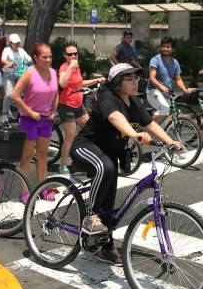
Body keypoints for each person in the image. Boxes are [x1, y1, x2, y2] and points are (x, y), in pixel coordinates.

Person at [70, 63, 182, 265]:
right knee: (106, 167)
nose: (135, 81)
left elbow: (150, 123)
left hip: (109, 154)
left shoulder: (134, 102)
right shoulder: (106, 98)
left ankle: (104, 246)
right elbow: (115, 117)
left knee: (109, 205)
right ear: (117, 82)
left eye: (136, 78)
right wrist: (133, 134)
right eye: (129, 78)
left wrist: (170, 141)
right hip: (85, 147)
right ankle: (90, 216)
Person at [10, 43, 59, 204]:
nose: (48, 59)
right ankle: (25, 192)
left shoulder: (53, 72)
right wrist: (29, 111)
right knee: (27, 157)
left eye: (50, 56)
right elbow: (15, 95)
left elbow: (55, 93)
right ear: (35, 58)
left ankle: (42, 189)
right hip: (29, 120)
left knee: (43, 156)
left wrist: (53, 110)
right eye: (44, 57)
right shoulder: (29, 73)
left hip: (46, 120)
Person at [56, 43, 105, 175]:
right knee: (70, 135)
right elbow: (62, 83)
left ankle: (83, 158)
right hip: (66, 106)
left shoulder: (76, 67)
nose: (73, 56)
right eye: (70, 54)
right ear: (65, 56)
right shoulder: (64, 67)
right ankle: (63, 165)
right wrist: (70, 68)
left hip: (78, 105)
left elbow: (80, 83)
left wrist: (96, 80)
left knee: (89, 130)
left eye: (75, 54)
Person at [146, 36, 194, 123]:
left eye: (168, 47)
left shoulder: (175, 62)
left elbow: (178, 79)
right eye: (163, 46)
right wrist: (161, 87)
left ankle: (156, 135)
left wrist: (184, 89)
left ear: (173, 49)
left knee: (165, 120)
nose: (165, 49)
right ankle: (147, 127)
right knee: (165, 109)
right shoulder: (155, 60)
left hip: (166, 93)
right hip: (153, 91)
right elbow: (152, 78)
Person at [0, 33, 31, 123]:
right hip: (9, 75)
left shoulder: (21, 51)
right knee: (9, 94)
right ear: (10, 43)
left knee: (22, 95)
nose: (17, 44)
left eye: (18, 42)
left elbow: (29, 59)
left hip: (20, 76)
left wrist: (34, 60)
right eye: (15, 42)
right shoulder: (7, 50)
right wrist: (9, 64)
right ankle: (4, 114)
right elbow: (3, 60)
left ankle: (22, 113)